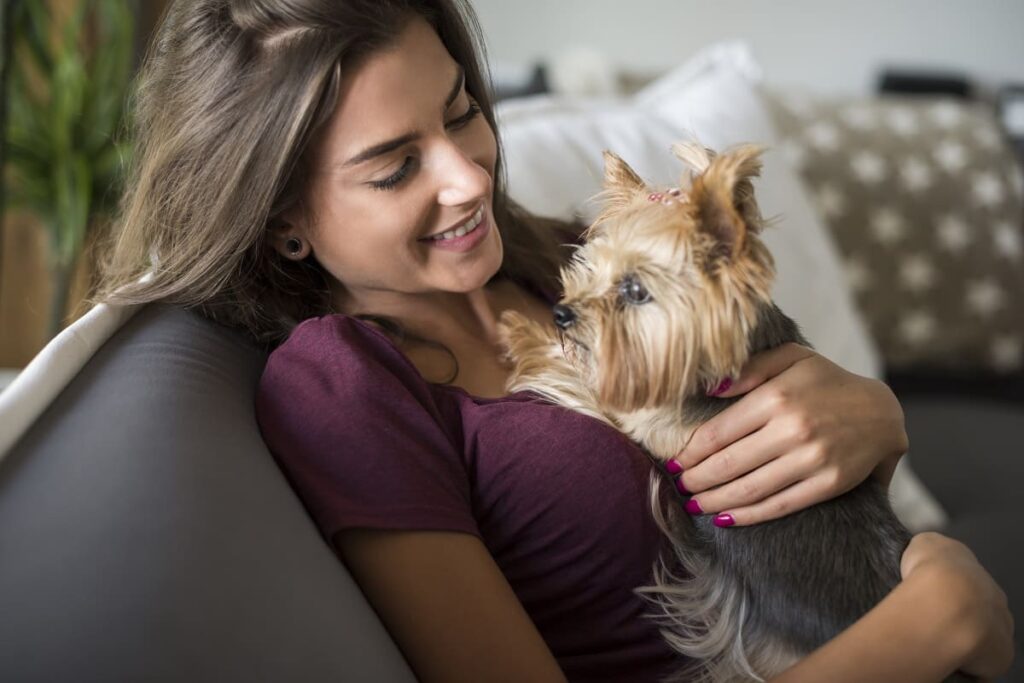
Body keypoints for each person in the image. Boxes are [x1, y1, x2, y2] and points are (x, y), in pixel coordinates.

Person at [96, 1, 1014, 681]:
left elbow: (807, 498)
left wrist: (873, 416)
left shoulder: (568, 262)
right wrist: (934, 621)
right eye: (396, 166)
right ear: (286, 220)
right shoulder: (344, 384)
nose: (469, 174)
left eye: (459, 112)